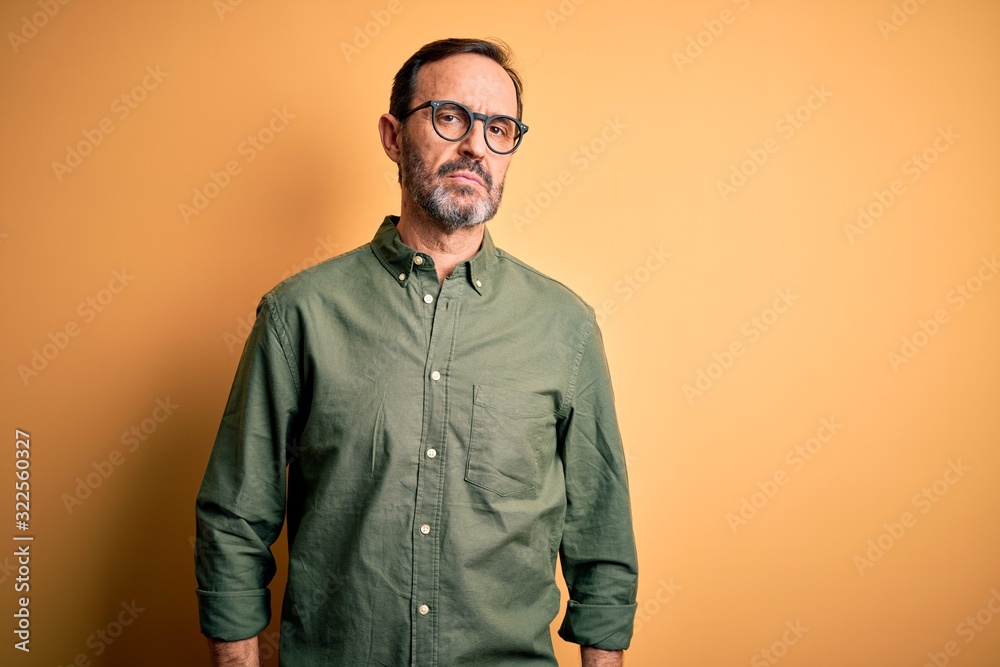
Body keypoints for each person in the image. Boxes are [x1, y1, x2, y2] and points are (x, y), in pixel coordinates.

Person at [195, 37, 638, 666]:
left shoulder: (564, 329)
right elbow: (235, 518)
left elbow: (601, 538)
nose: (474, 146)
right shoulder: (299, 316)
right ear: (392, 136)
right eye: (449, 116)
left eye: (499, 127)